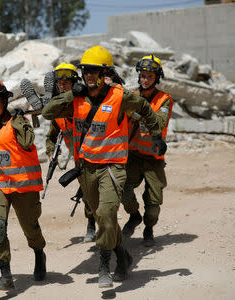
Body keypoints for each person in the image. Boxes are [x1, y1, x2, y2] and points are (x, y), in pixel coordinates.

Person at [42, 45, 167, 288]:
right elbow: (48, 112)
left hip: (113, 167)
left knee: (107, 214)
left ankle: (103, 267)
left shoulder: (120, 96)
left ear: (104, 73)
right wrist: (69, 94)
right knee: (103, 220)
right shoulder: (76, 97)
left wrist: (156, 133)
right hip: (87, 169)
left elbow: (143, 107)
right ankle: (123, 256)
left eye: (94, 71)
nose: (89, 75)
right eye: (86, 71)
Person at [0, 79, 46, 290]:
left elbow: (27, 142)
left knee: (30, 229)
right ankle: (5, 275)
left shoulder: (17, 121)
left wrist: (20, 121)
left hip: (23, 184)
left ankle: (39, 253)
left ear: (4, 102)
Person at [121, 55, 173, 247]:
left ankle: (148, 228)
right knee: (121, 187)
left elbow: (158, 123)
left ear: (156, 78)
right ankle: (134, 216)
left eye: (149, 76)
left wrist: (136, 112)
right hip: (133, 155)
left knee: (153, 203)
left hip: (153, 158)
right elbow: (121, 110)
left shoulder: (165, 100)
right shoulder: (131, 95)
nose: (145, 79)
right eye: (142, 75)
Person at [44, 63, 96, 243]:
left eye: (66, 82)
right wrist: (51, 153)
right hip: (79, 160)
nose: (62, 86)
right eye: (59, 83)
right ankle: (91, 224)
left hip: (98, 155)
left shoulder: (85, 102)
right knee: (88, 194)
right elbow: (51, 136)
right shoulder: (57, 110)